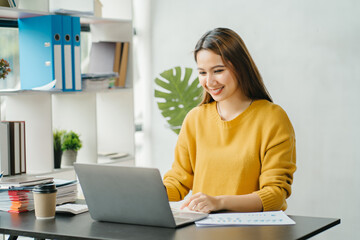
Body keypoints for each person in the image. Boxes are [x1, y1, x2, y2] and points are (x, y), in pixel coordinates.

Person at [162, 27, 296, 213]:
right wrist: (146, 193)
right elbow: (178, 181)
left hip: (253, 231)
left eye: (218, 70)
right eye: (202, 72)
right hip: (203, 231)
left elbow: (275, 194)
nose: (209, 81)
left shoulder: (272, 118)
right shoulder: (195, 118)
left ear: (240, 67)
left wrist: (219, 202)